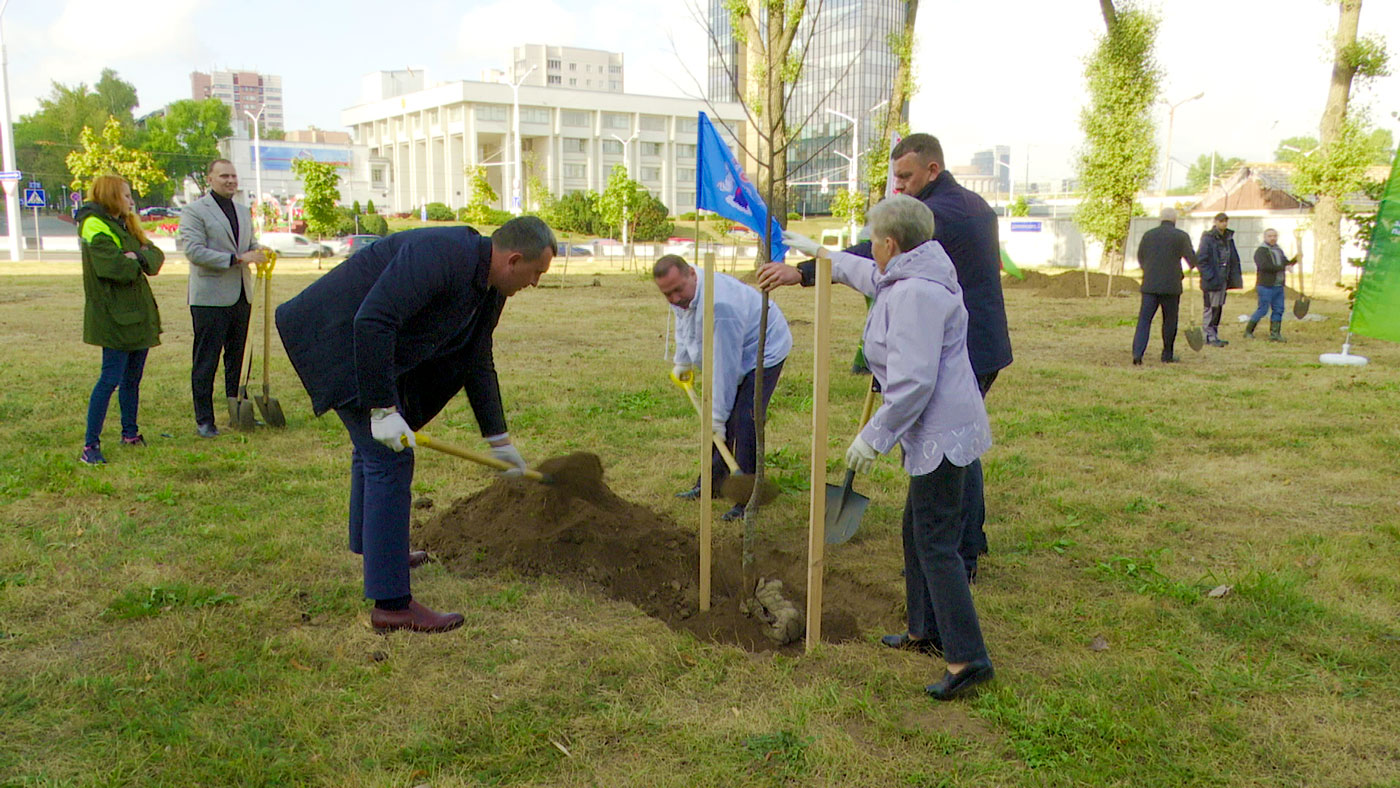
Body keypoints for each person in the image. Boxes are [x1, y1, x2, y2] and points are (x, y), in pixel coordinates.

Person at [275, 217, 555, 634]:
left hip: (371, 342)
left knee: (373, 452)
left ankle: (375, 548)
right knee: (389, 456)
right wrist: (383, 409)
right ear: (514, 259)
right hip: (334, 337)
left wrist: (499, 439)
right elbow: (373, 320)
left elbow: (477, 358)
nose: (534, 284)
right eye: (536, 273)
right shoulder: (443, 254)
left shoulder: (491, 288)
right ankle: (392, 606)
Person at [758, 133, 1011, 582]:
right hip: (977, 337)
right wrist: (821, 256)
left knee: (949, 450)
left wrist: (806, 270)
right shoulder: (975, 204)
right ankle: (970, 539)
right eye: (896, 176)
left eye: (906, 177)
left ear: (932, 170)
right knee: (960, 449)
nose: (899, 186)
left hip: (955, 346)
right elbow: (872, 265)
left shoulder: (936, 216)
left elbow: (877, 257)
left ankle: (957, 554)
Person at [786, 196, 995, 699]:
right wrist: (823, 257)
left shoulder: (916, 294)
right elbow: (869, 277)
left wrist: (872, 437)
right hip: (941, 426)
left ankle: (968, 658)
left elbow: (915, 382)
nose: (872, 249)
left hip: (941, 430)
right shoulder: (910, 272)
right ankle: (925, 631)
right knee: (916, 531)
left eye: (874, 240)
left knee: (937, 543)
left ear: (891, 243)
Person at [656, 255, 792, 522]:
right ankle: (712, 482)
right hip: (733, 347)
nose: (673, 298)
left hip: (763, 350)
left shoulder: (720, 306)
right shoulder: (683, 295)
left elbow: (726, 369)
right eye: (666, 293)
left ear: (692, 274)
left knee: (744, 417)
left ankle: (748, 498)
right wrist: (682, 360)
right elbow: (684, 324)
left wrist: (717, 418)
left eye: (677, 290)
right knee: (723, 417)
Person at [77, 175, 165, 465]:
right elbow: (113, 267)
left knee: (132, 380)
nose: (131, 201)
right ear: (112, 196)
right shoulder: (94, 225)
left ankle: (130, 433)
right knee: (109, 379)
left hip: (137, 316)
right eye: (126, 195)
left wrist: (136, 257)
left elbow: (155, 257)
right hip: (114, 317)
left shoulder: (125, 224)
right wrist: (135, 259)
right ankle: (90, 446)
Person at [179, 159, 265, 438]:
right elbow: (194, 251)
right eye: (224, 175)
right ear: (210, 179)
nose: (230, 180)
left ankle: (238, 411)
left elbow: (248, 245)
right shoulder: (194, 211)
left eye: (233, 175)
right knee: (207, 361)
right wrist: (235, 258)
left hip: (242, 295)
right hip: (209, 299)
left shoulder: (242, 211)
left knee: (240, 360)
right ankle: (205, 419)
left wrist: (259, 251)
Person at [1130, 207, 1198, 365]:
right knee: (1169, 321)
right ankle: (1167, 354)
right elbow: (1192, 261)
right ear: (1175, 220)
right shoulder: (1181, 236)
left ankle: (1137, 354)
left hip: (1150, 285)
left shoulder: (1149, 235)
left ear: (1160, 219)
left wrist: (1149, 271)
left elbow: (1141, 257)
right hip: (1171, 286)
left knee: (1144, 320)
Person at [1195, 212, 1243, 348]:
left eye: (1226, 221)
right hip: (1212, 281)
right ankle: (1208, 336)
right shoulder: (1208, 238)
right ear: (1215, 222)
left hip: (1223, 280)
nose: (1224, 224)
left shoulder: (1228, 238)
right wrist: (1210, 276)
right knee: (1210, 308)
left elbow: (1233, 258)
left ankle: (1214, 334)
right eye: (1221, 221)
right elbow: (1201, 260)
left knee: (1218, 308)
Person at [1247, 228, 1299, 342]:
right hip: (1265, 285)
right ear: (1264, 237)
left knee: (1279, 309)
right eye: (1270, 236)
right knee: (1263, 309)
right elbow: (1265, 266)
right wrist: (1283, 267)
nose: (1272, 238)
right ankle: (1248, 331)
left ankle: (1275, 334)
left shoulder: (1278, 250)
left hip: (1278, 285)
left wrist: (1296, 259)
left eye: (1274, 236)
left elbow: (1285, 263)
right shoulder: (1261, 251)